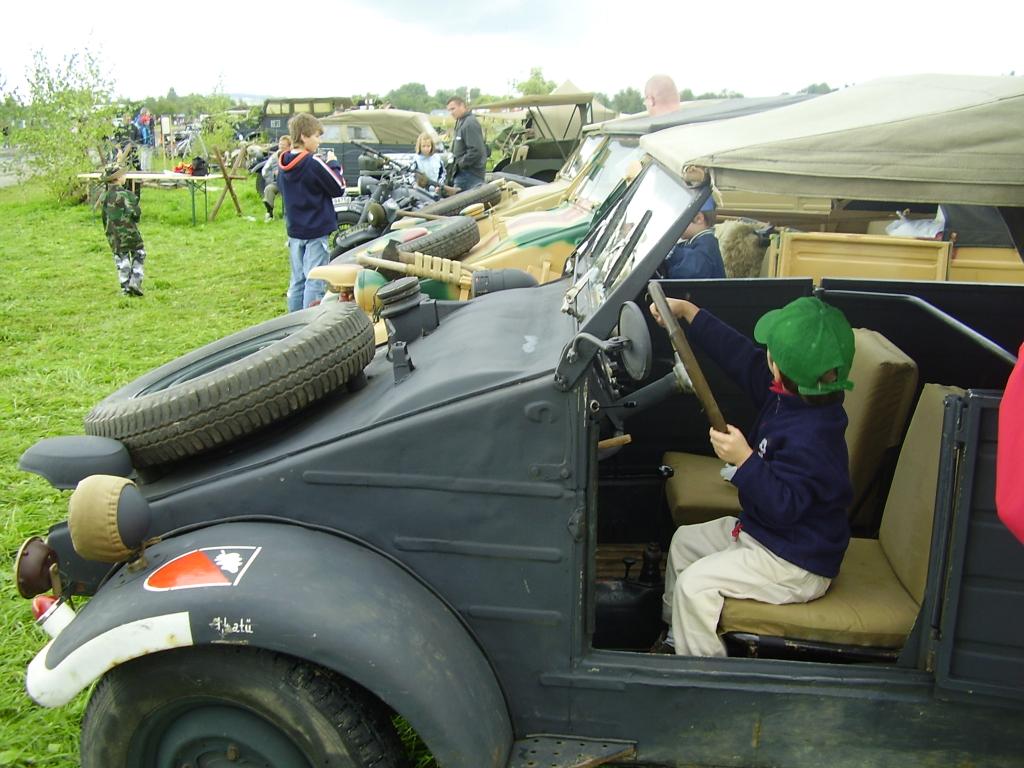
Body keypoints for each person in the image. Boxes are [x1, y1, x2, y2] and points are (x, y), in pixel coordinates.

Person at [650, 295, 856, 657]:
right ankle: (674, 638)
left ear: (779, 368)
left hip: (794, 560)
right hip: (765, 533)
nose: (764, 357)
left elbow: (785, 507)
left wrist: (745, 460)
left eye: (770, 353)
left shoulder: (814, 437)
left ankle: (702, 676)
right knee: (684, 542)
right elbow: (741, 356)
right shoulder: (789, 396)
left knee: (695, 587)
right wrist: (690, 313)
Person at [278, 112, 346, 312]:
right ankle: (311, 321)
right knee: (315, 278)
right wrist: (334, 164)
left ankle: (294, 320)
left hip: (295, 229)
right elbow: (338, 187)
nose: (319, 141)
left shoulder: (283, 163)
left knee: (297, 280)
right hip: (315, 230)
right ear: (304, 136)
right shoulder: (312, 162)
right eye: (317, 136)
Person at [99, 163, 147, 297]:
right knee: (139, 253)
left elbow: (104, 217)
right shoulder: (127, 195)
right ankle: (135, 281)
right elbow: (136, 214)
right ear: (119, 178)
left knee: (122, 259)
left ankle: (125, 288)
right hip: (130, 232)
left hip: (113, 234)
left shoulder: (104, 197)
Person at [663, 197, 725, 279]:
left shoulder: (707, 245)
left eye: (679, 218)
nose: (674, 223)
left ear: (698, 218)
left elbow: (688, 273)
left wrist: (672, 252)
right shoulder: (694, 242)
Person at [446, 97, 487, 190]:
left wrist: (460, 164)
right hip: (463, 173)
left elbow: (476, 150)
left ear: (462, 106)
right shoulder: (461, 121)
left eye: (453, 109)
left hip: (470, 174)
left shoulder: (469, 123)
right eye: (449, 110)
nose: (451, 112)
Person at [261, 134, 292, 222]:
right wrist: (274, 177)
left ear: (289, 146)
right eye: (280, 144)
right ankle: (269, 213)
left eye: (284, 145)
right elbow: (265, 171)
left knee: (288, 191)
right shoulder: (274, 157)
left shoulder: (293, 156)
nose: (281, 146)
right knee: (269, 189)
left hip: (291, 183)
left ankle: (288, 216)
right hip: (277, 182)